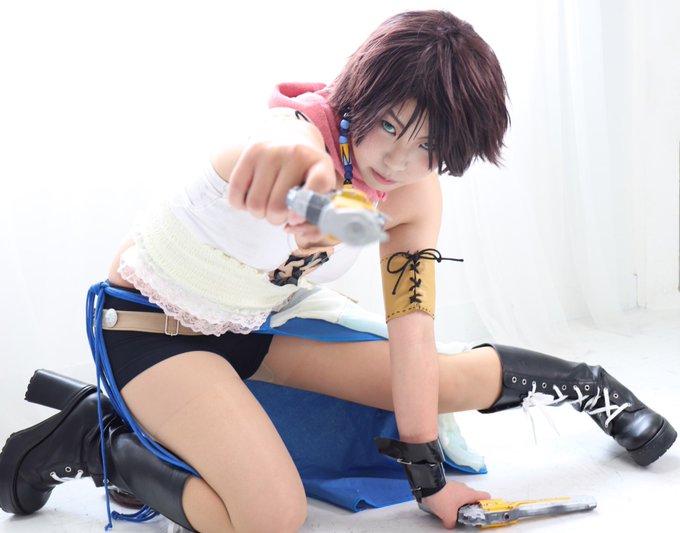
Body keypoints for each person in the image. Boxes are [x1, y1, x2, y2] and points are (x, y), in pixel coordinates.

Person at [0, 9, 675, 533]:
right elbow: (286, 145)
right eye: (390, 126)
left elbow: (411, 335)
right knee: (270, 517)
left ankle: (592, 387)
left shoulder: (413, 198)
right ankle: (96, 440)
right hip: (153, 332)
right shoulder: (292, 137)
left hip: (255, 331)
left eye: (430, 144)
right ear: (363, 94)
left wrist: (431, 482)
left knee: (442, 376)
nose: (400, 160)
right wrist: (311, 182)